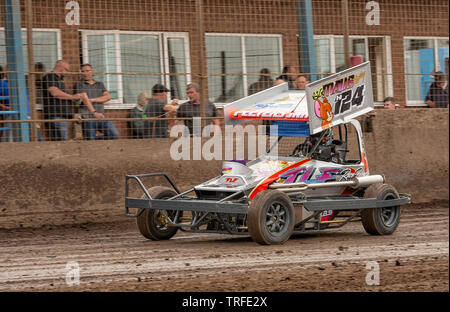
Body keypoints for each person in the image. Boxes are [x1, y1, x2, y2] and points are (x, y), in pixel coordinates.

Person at [74, 63, 119, 140]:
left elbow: (108, 97)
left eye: (87, 71)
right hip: (87, 119)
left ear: (92, 72)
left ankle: (97, 141)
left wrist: (92, 100)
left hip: (101, 117)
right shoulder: (79, 84)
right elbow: (84, 99)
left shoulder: (100, 84)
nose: (85, 73)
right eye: (83, 71)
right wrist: (93, 102)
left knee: (114, 135)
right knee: (91, 140)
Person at [42, 60, 81, 141]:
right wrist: (72, 97)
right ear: (60, 68)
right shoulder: (50, 76)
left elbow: (63, 95)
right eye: (67, 70)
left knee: (63, 141)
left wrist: (73, 99)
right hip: (56, 116)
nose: (67, 73)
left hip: (62, 116)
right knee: (62, 142)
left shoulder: (60, 80)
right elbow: (55, 93)